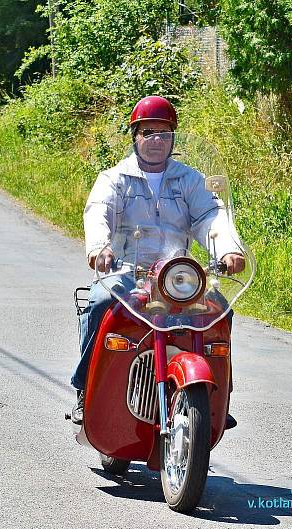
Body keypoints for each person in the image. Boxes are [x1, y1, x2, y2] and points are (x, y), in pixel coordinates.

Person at [69, 96, 246, 425]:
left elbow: (211, 214)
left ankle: (221, 395)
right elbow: (99, 212)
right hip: (124, 272)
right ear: (135, 136)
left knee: (221, 310)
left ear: (173, 139)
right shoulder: (115, 179)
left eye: (163, 133)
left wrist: (227, 250)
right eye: (148, 132)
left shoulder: (190, 180)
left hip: (176, 276)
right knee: (98, 303)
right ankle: (83, 389)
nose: (155, 141)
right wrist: (99, 248)